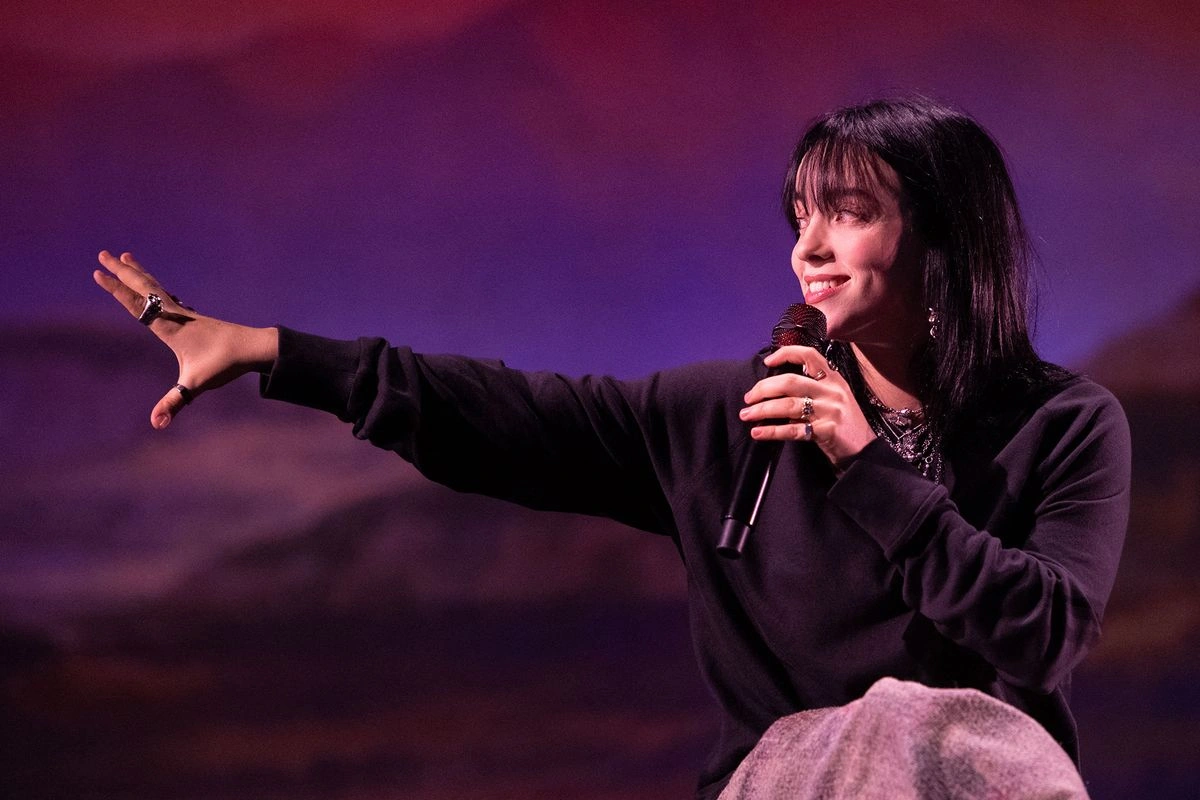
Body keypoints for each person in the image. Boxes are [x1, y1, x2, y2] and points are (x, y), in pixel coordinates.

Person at [93, 96, 1130, 799]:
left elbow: (1041, 637)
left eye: (848, 214)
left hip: (979, 781)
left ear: (943, 237)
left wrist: (869, 468)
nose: (807, 247)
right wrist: (274, 353)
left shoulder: (1066, 425)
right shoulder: (732, 417)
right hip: (789, 783)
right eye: (799, 216)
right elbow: (503, 415)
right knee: (889, 725)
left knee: (923, 725)